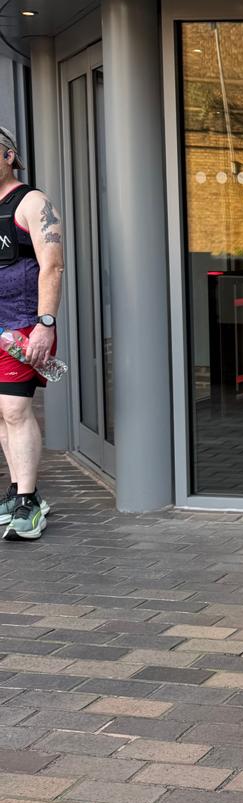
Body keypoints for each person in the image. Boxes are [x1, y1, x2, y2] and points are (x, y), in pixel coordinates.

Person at [0, 125, 63, 541]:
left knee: (15, 411)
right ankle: (15, 490)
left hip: (23, 327)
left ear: (8, 156)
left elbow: (52, 265)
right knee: (1, 412)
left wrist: (45, 324)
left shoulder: (32, 202)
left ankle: (29, 501)